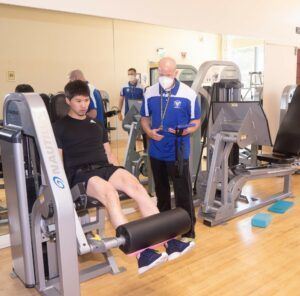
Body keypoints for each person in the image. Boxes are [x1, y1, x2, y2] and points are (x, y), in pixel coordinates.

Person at [53, 80, 195, 274]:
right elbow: (57, 161)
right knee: (110, 194)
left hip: (104, 167)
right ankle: (141, 254)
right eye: (78, 101)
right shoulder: (59, 127)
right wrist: (59, 188)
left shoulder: (97, 125)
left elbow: (108, 154)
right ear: (68, 101)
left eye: (86, 100)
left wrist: (120, 171)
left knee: (137, 188)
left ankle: (169, 243)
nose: (83, 105)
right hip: (81, 174)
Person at [140, 57, 201, 241]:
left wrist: (186, 130)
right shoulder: (149, 93)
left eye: (168, 74)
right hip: (156, 150)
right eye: (161, 74)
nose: (164, 77)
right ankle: (165, 229)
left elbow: (196, 121)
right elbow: (144, 117)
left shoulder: (189, 94)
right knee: (161, 192)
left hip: (178, 151)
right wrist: (149, 132)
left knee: (183, 194)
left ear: (175, 73)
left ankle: (188, 230)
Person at [118, 68, 147, 151]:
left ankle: (145, 149)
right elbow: (121, 99)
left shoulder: (142, 87)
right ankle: (133, 152)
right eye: (129, 74)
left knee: (143, 131)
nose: (130, 75)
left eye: (132, 74)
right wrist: (119, 112)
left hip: (139, 114)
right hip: (128, 114)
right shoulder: (124, 87)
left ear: (135, 75)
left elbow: (145, 101)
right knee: (131, 133)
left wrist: (145, 115)